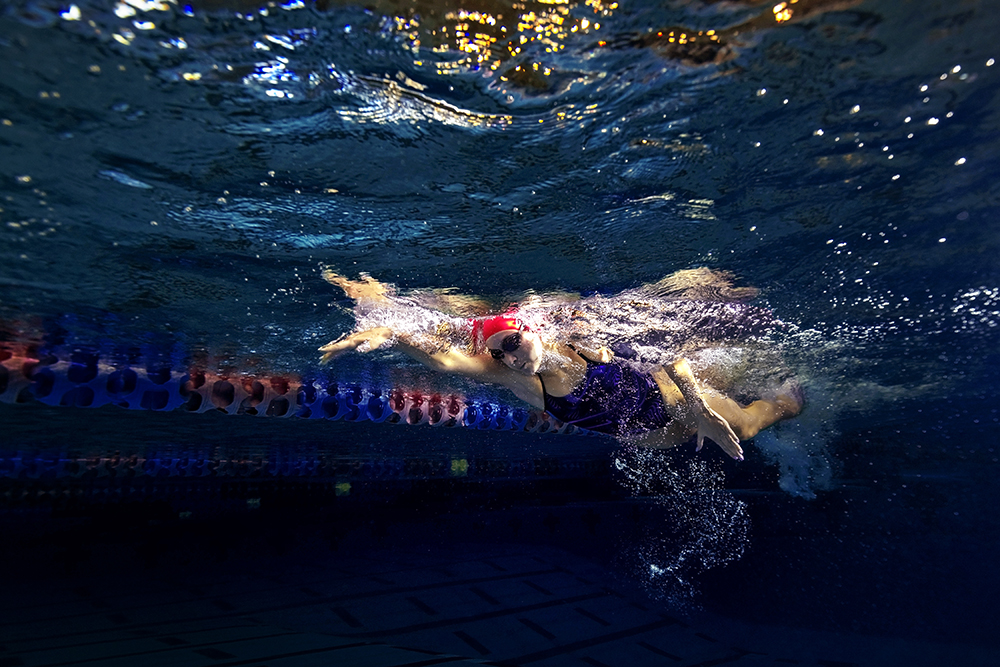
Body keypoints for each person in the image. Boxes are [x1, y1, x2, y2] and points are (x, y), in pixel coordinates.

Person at [318, 270, 803, 460]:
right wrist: (390, 333)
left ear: (532, 328)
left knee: (748, 427)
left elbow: (670, 355)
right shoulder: (517, 379)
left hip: (680, 403)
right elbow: (445, 361)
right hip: (652, 435)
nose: (508, 357)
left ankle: (786, 398)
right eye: (499, 353)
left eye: (511, 342)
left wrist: (699, 408)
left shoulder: (584, 334)